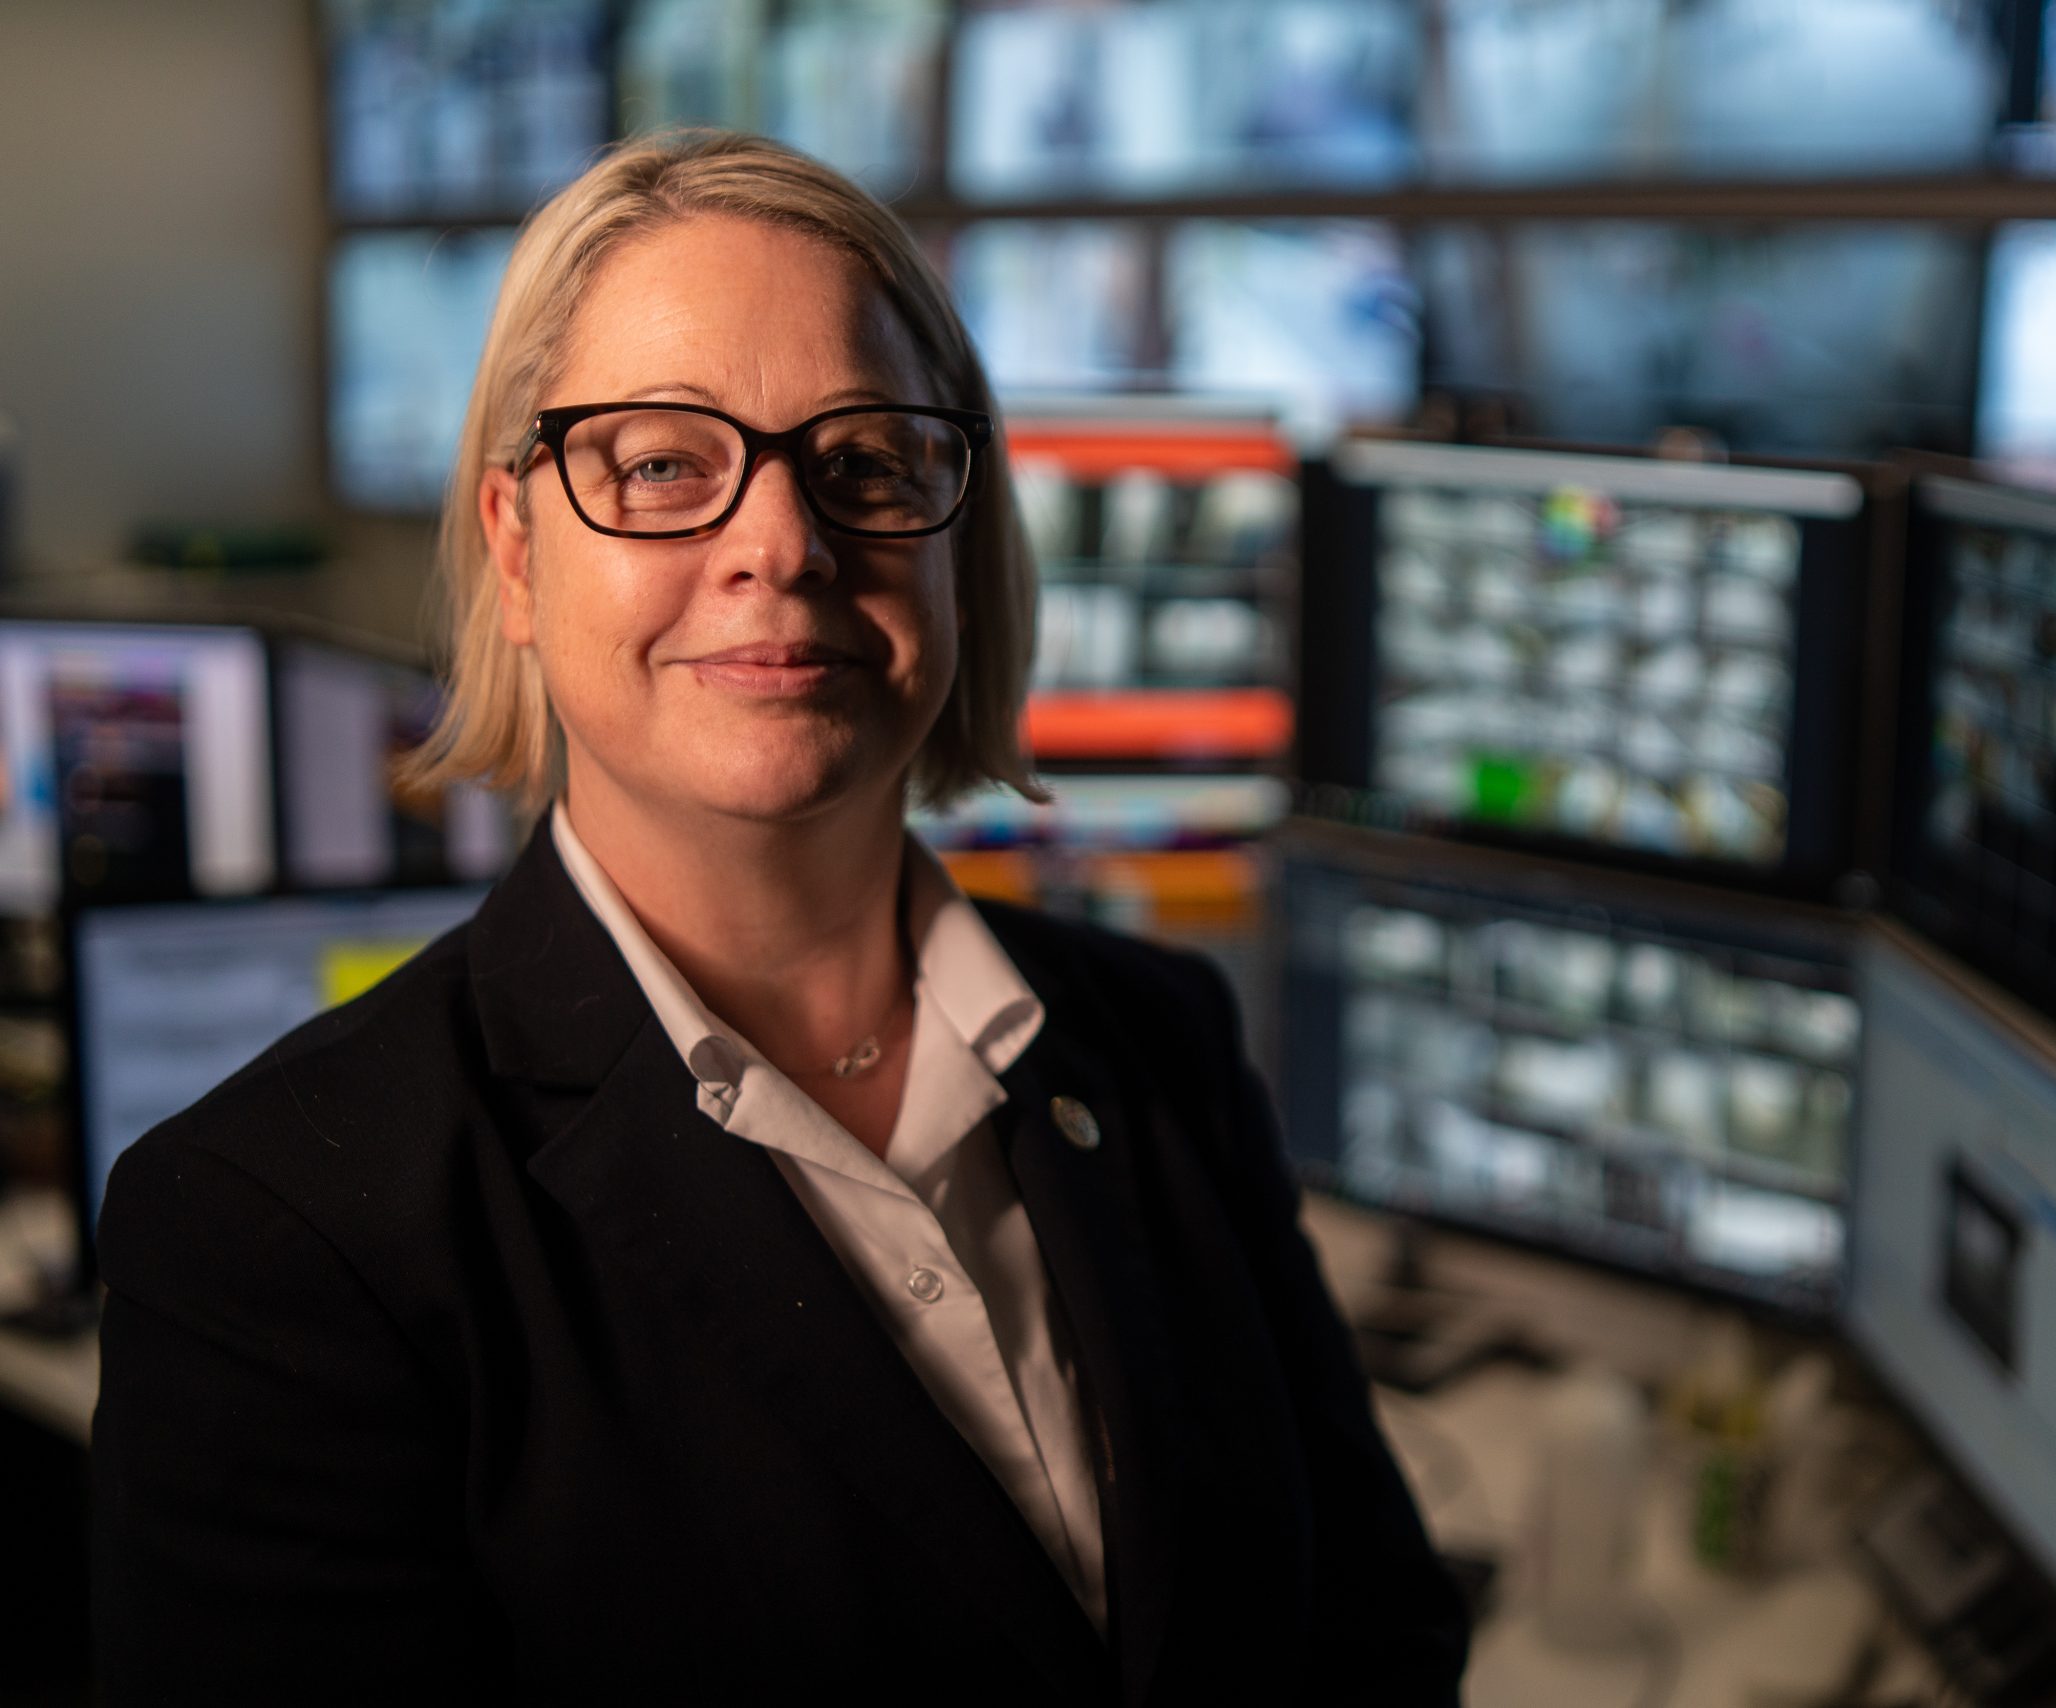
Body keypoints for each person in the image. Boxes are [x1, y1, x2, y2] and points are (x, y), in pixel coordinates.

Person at [88, 131, 1467, 1706]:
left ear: (959, 537)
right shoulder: (274, 1230)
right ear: (518, 550)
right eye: (665, 462)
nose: (783, 544)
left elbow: (1376, 1646)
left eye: (867, 461)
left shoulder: (1159, 1046)